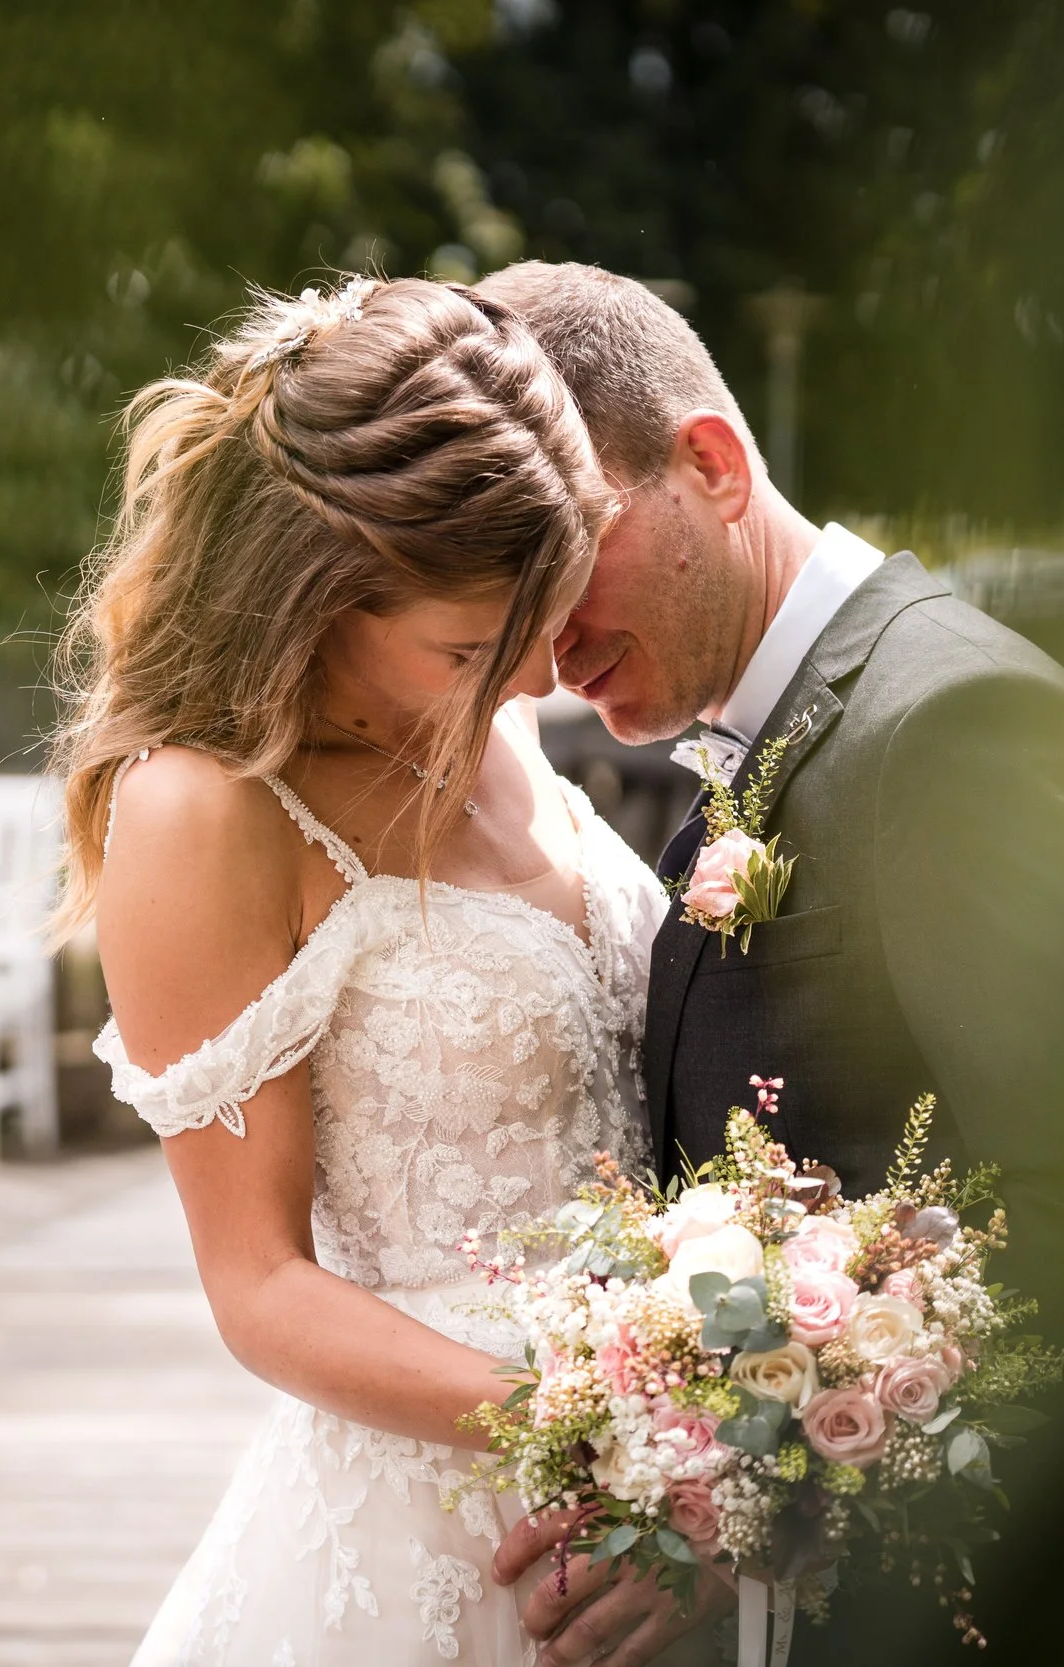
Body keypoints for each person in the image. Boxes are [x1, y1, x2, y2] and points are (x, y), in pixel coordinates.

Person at [470, 260, 1064, 1666]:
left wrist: (757, 1506)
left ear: (710, 464)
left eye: (562, 571)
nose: (547, 656)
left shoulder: (954, 724)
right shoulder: (779, 726)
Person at [56, 276, 725, 1665]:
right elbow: (261, 1288)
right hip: (431, 1539)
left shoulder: (488, 716)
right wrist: (602, 1434)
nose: (530, 684)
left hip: (657, 1529)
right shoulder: (206, 809)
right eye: (472, 645)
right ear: (320, 593)